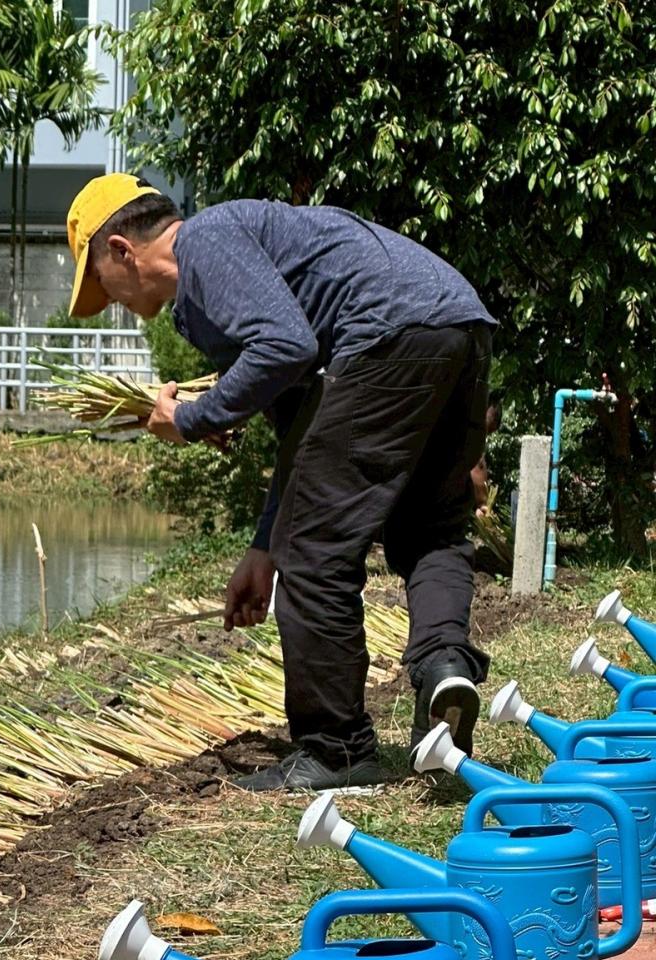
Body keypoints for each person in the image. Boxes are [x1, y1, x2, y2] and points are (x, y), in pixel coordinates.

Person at [65, 173, 494, 791]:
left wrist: (186, 419)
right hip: (460, 324)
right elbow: (303, 425)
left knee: (318, 555)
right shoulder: (244, 257)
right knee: (431, 527)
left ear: (121, 251)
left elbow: (284, 347)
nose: (111, 303)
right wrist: (264, 546)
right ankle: (444, 665)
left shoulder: (204, 244)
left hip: (388, 334)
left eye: (101, 285)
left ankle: (337, 750)